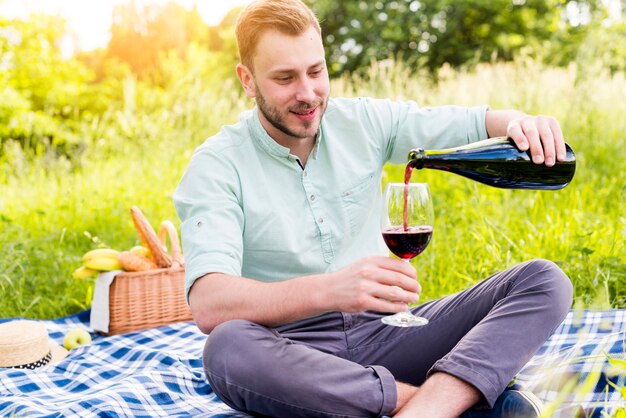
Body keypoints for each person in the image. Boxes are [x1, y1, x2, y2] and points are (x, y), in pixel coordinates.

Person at [173, 0, 573, 416]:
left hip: (389, 334)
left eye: (316, 71)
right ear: (248, 80)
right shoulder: (217, 164)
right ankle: (440, 403)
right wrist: (331, 289)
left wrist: (517, 122)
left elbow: (463, 122)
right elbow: (209, 303)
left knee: (545, 280)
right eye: (285, 78)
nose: (307, 93)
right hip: (292, 355)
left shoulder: (363, 122)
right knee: (227, 347)